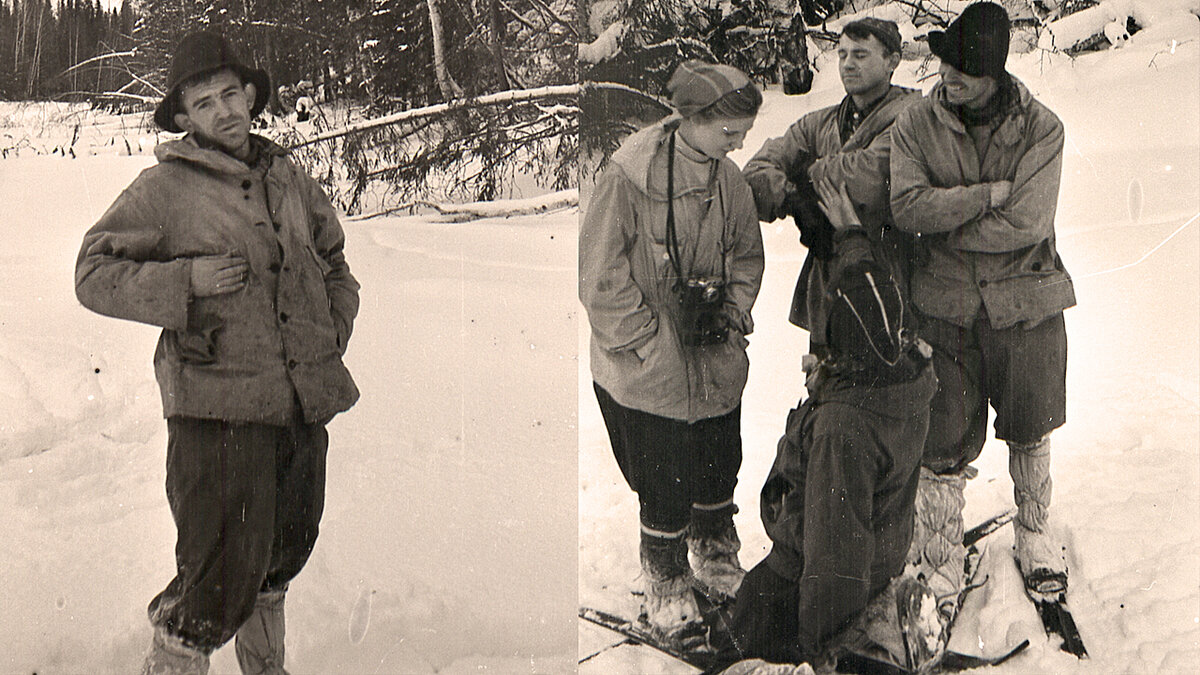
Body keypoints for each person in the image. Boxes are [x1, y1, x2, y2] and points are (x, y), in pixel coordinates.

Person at [74, 31, 359, 674]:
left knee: (285, 550)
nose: (225, 111)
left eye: (231, 93)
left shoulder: (286, 174)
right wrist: (184, 283)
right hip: (216, 409)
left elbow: (334, 259)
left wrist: (331, 332)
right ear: (184, 119)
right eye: (205, 103)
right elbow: (92, 272)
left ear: (251, 95)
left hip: (298, 401)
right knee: (217, 576)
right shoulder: (166, 188)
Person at [888, 1, 1075, 617]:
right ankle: (939, 556)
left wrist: (949, 221)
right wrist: (985, 196)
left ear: (996, 71)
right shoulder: (916, 125)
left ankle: (1036, 532)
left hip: (1026, 301)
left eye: (964, 70)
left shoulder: (1043, 129)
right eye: (945, 66)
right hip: (942, 307)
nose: (949, 79)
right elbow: (908, 208)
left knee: (1032, 420)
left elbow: (1028, 222)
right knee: (940, 438)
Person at [716, 180, 938, 672]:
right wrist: (853, 235)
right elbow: (868, 282)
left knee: (736, 640)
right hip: (881, 552)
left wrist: (822, 653)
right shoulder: (903, 368)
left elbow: (835, 556)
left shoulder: (845, 429)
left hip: (812, 568)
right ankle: (878, 616)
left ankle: (848, 646)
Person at [579, 60, 765, 643]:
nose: (740, 144)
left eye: (744, 132)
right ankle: (664, 579)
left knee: (717, 457)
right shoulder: (629, 176)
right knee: (662, 478)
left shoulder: (727, 178)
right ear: (692, 118)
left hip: (712, 356)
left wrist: (731, 314)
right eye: (729, 132)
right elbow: (600, 275)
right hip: (648, 365)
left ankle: (714, 553)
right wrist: (647, 341)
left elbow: (746, 257)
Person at [743, 17, 919, 359]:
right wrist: (795, 197)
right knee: (827, 391)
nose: (848, 64)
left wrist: (803, 171)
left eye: (861, 55)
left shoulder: (912, 119)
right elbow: (754, 172)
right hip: (829, 285)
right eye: (842, 54)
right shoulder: (820, 123)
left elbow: (867, 179)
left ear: (892, 61)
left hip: (892, 280)